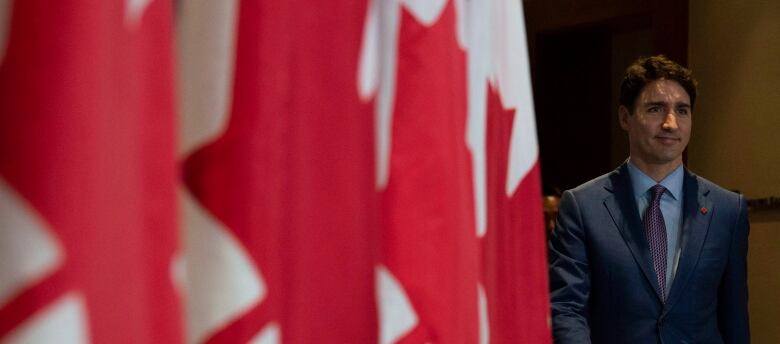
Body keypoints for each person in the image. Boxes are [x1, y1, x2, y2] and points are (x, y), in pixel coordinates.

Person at [548, 55, 750, 343]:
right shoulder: (582, 207)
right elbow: (566, 309)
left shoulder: (728, 210)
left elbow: (735, 321)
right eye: (656, 109)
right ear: (624, 117)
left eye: (682, 111)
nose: (671, 123)